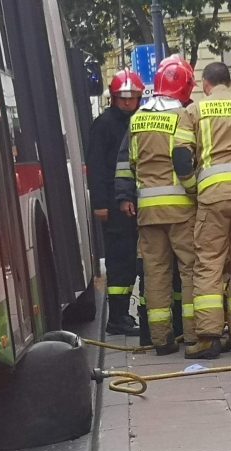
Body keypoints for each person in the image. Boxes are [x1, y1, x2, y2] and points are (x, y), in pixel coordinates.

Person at [174, 62, 231, 359]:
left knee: (209, 263)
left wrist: (192, 187)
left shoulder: (195, 111)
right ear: (229, 81)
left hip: (213, 196)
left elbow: (180, 156)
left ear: (206, 84)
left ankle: (209, 337)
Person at [114, 55, 197, 355]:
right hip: (181, 206)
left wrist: (125, 196)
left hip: (148, 209)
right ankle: (191, 335)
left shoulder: (138, 118)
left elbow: (127, 163)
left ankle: (161, 340)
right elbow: (189, 158)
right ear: (186, 86)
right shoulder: (184, 116)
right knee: (190, 270)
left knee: (155, 273)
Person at [86, 68, 144, 336]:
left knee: (133, 259)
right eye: (123, 98)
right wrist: (100, 204)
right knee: (120, 260)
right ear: (113, 98)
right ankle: (118, 317)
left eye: (132, 98)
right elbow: (96, 167)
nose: (128, 103)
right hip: (112, 203)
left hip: (134, 202)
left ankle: (125, 315)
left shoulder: (140, 121)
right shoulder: (105, 124)